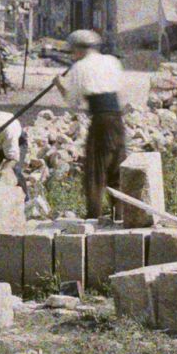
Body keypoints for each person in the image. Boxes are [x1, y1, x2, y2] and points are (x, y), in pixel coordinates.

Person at [59, 28, 126, 223]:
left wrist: (59, 84)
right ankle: (119, 215)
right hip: (117, 118)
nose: (72, 55)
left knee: (95, 169)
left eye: (72, 51)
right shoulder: (112, 61)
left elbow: (73, 102)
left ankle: (93, 217)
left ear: (79, 49)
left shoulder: (79, 67)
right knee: (116, 167)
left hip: (101, 119)